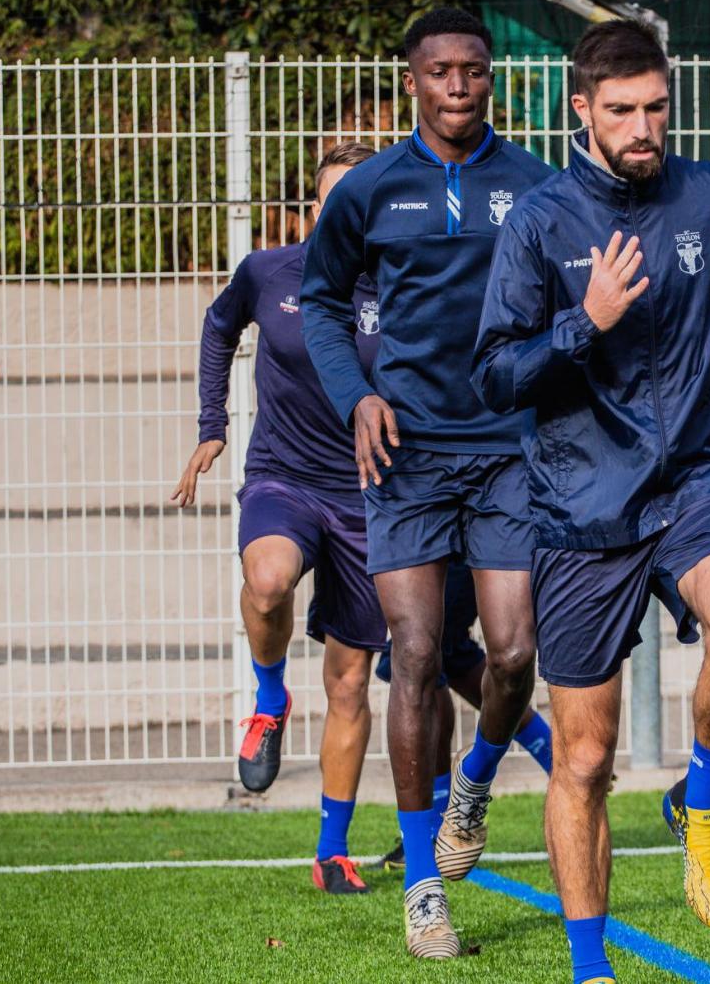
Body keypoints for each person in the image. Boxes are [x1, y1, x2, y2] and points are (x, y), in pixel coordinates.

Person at [473, 20, 710, 984]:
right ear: (581, 109)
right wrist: (586, 325)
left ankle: (702, 808)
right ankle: (592, 969)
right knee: (584, 761)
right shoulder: (540, 223)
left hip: (699, 478)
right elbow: (496, 375)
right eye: (621, 110)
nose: (642, 126)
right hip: (583, 510)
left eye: (655, 107)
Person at [300, 7, 555, 959]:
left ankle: (477, 786)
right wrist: (355, 394)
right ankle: (421, 888)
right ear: (413, 80)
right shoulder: (369, 188)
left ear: (492, 80)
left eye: (474, 71)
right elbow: (320, 300)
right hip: (403, 455)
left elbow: (577, 296)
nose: (459, 86)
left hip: (504, 448)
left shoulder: (534, 185)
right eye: (441, 71)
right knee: (410, 652)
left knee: (514, 651)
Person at [171, 141, 399, 896]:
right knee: (266, 581)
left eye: (359, 201)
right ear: (313, 210)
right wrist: (213, 424)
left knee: (349, 682)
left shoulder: (403, 285)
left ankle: (332, 849)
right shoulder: (270, 273)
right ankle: (269, 694)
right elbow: (217, 327)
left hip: (371, 497)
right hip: (285, 478)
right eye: (332, 199)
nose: (343, 214)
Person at [372, 583, 555, 870]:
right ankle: (557, 756)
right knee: (450, 658)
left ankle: (436, 826)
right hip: (438, 550)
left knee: (423, 660)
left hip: (455, 552)